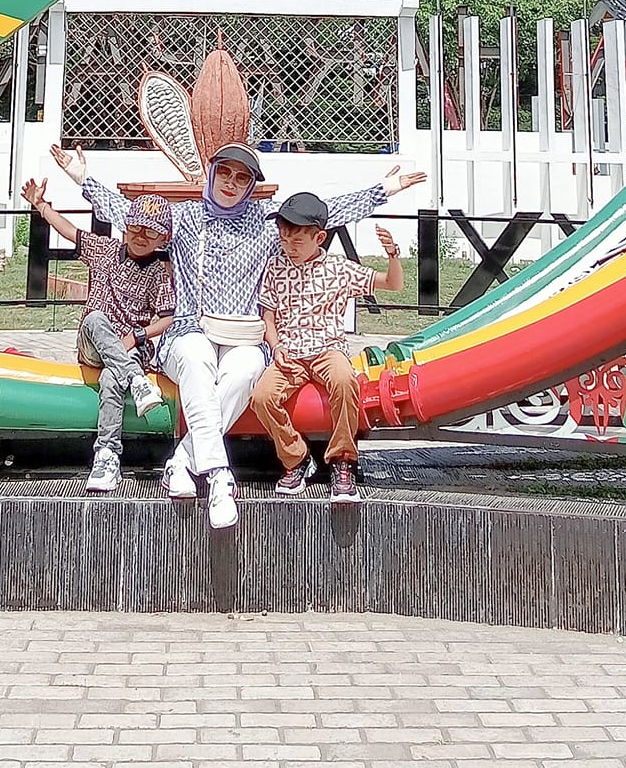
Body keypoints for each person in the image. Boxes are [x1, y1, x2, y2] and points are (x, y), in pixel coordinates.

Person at [51, 139, 425, 530]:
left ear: (250, 185)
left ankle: (182, 462)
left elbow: (325, 211)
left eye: (242, 178)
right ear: (212, 174)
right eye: (225, 173)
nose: (231, 183)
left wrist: (385, 190)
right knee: (195, 358)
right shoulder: (185, 217)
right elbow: (127, 212)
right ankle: (218, 476)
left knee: (247, 371)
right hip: (190, 328)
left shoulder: (265, 222)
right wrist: (81, 177)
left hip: (243, 335)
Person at [21, 176, 175, 494]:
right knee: (94, 318)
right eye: (135, 228)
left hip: (130, 345)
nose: (140, 236)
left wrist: (137, 336)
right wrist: (41, 205)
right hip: (94, 341)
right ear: (125, 226)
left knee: (111, 379)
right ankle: (137, 380)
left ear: (163, 237)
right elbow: (70, 232)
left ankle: (107, 455)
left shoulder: (159, 271)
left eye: (150, 232)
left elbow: (167, 317)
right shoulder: (105, 250)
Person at [252, 190, 404, 504]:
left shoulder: (338, 268)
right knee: (262, 397)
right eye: (284, 239)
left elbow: (392, 284)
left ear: (319, 237)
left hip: (327, 348)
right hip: (290, 351)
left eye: (297, 241)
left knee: (345, 380)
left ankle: (342, 460)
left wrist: (392, 254)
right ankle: (296, 456)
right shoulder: (275, 266)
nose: (289, 247)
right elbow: (268, 315)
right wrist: (276, 346)